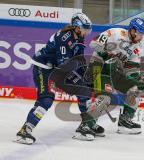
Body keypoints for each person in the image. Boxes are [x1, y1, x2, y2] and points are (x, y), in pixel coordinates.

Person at [15, 12, 94, 145]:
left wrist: (86, 78)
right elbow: (64, 65)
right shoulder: (64, 37)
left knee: (83, 89)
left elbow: (79, 61)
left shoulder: (79, 38)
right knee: (46, 99)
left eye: (88, 29)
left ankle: (86, 126)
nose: (87, 32)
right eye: (85, 29)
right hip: (43, 67)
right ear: (77, 27)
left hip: (58, 67)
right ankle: (24, 131)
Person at [73, 17, 144, 141]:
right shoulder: (115, 33)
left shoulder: (137, 48)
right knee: (104, 97)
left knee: (134, 89)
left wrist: (138, 81)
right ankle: (85, 126)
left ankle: (125, 122)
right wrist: (108, 53)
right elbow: (93, 43)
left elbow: (132, 68)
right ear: (133, 31)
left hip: (115, 71)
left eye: (143, 35)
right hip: (99, 67)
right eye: (140, 34)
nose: (141, 37)